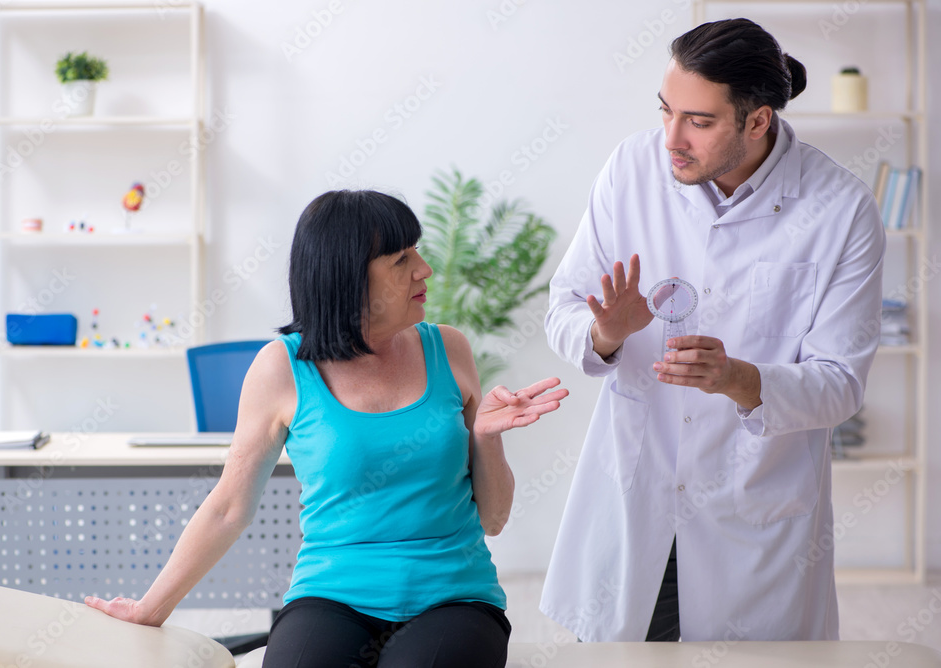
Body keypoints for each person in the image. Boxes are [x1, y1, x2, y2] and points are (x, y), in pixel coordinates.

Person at [84, 189, 567, 667]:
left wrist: (486, 436)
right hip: (332, 595)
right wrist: (151, 609)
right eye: (401, 259)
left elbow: (493, 519)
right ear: (349, 279)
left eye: (416, 251)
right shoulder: (281, 369)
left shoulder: (449, 350)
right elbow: (230, 507)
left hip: (453, 597)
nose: (425, 269)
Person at [540, 18, 885, 642]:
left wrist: (739, 379)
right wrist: (604, 336)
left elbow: (840, 385)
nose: (670, 139)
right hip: (637, 489)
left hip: (751, 507)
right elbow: (562, 309)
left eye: (698, 121)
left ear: (757, 121)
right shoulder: (631, 169)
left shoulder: (840, 208)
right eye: (666, 111)